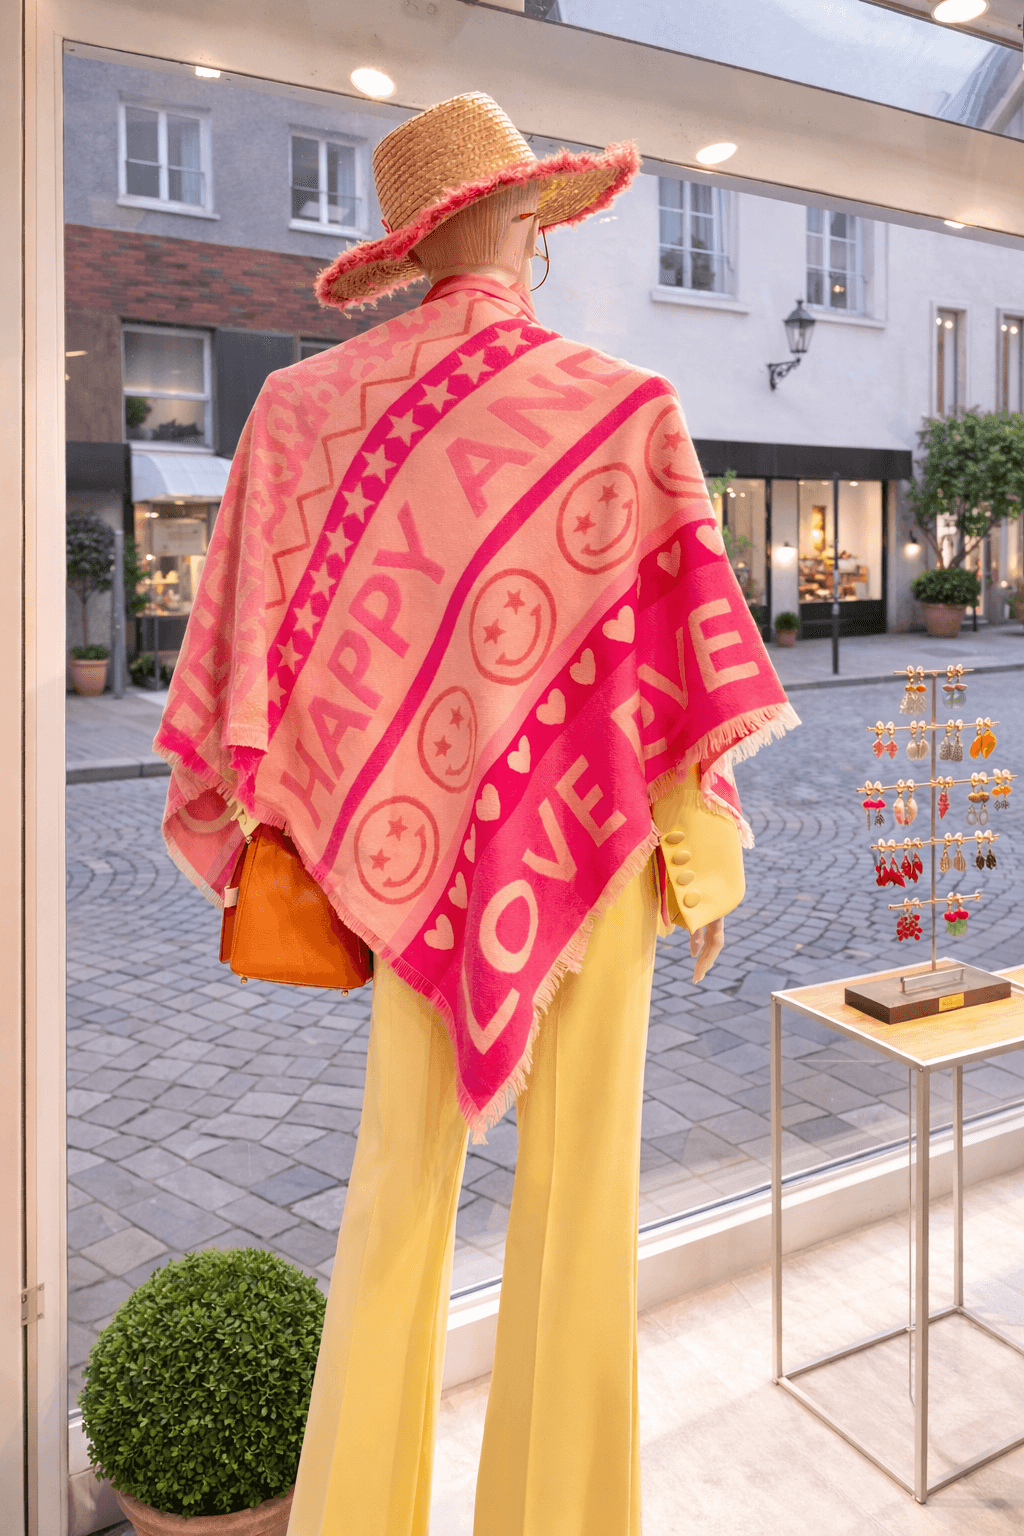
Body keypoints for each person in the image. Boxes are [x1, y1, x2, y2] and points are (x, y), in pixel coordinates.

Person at [155, 92, 797, 1536]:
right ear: (525, 222)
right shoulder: (623, 412)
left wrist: (329, 805)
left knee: (394, 1192)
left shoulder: (302, 412)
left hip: (404, 853)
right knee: (583, 1212)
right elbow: (669, 661)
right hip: (593, 852)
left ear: (414, 241)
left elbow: (255, 656)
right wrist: (701, 869)